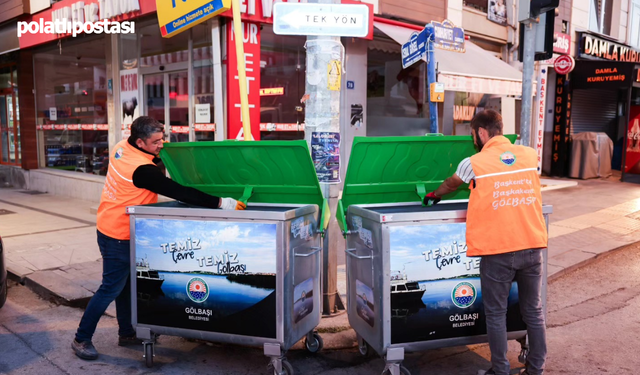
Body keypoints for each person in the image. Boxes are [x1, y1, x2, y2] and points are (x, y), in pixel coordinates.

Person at [72, 116, 246, 360]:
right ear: (141, 142)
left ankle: (127, 333)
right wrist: (220, 202)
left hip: (111, 223)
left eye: (163, 138)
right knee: (110, 288)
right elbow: (179, 192)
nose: (162, 145)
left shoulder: (121, 146)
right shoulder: (142, 171)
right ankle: (81, 338)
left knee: (125, 287)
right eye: (156, 142)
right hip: (118, 233)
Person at [424, 110, 548, 375]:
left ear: (481, 133)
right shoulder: (529, 155)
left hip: (499, 250)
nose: (473, 139)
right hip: (532, 244)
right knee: (534, 311)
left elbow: (451, 183)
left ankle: (500, 370)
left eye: (473, 134)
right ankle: (536, 368)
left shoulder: (475, 162)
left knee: (495, 314)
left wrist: (434, 195)